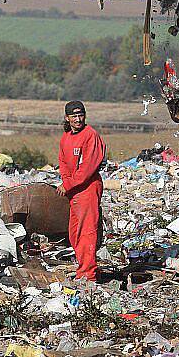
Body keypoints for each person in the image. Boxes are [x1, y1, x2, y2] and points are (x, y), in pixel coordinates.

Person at [57, 101, 106, 282]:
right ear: (67, 118)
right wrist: (66, 181)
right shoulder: (66, 137)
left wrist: (68, 184)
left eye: (81, 115)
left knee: (87, 233)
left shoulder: (90, 136)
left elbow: (86, 169)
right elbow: (63, 162)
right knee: (74, 233)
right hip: (74, 192)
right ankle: (85, 267)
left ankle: (88, 275)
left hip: (87, 189)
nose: (78, 119)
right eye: (74, 116)